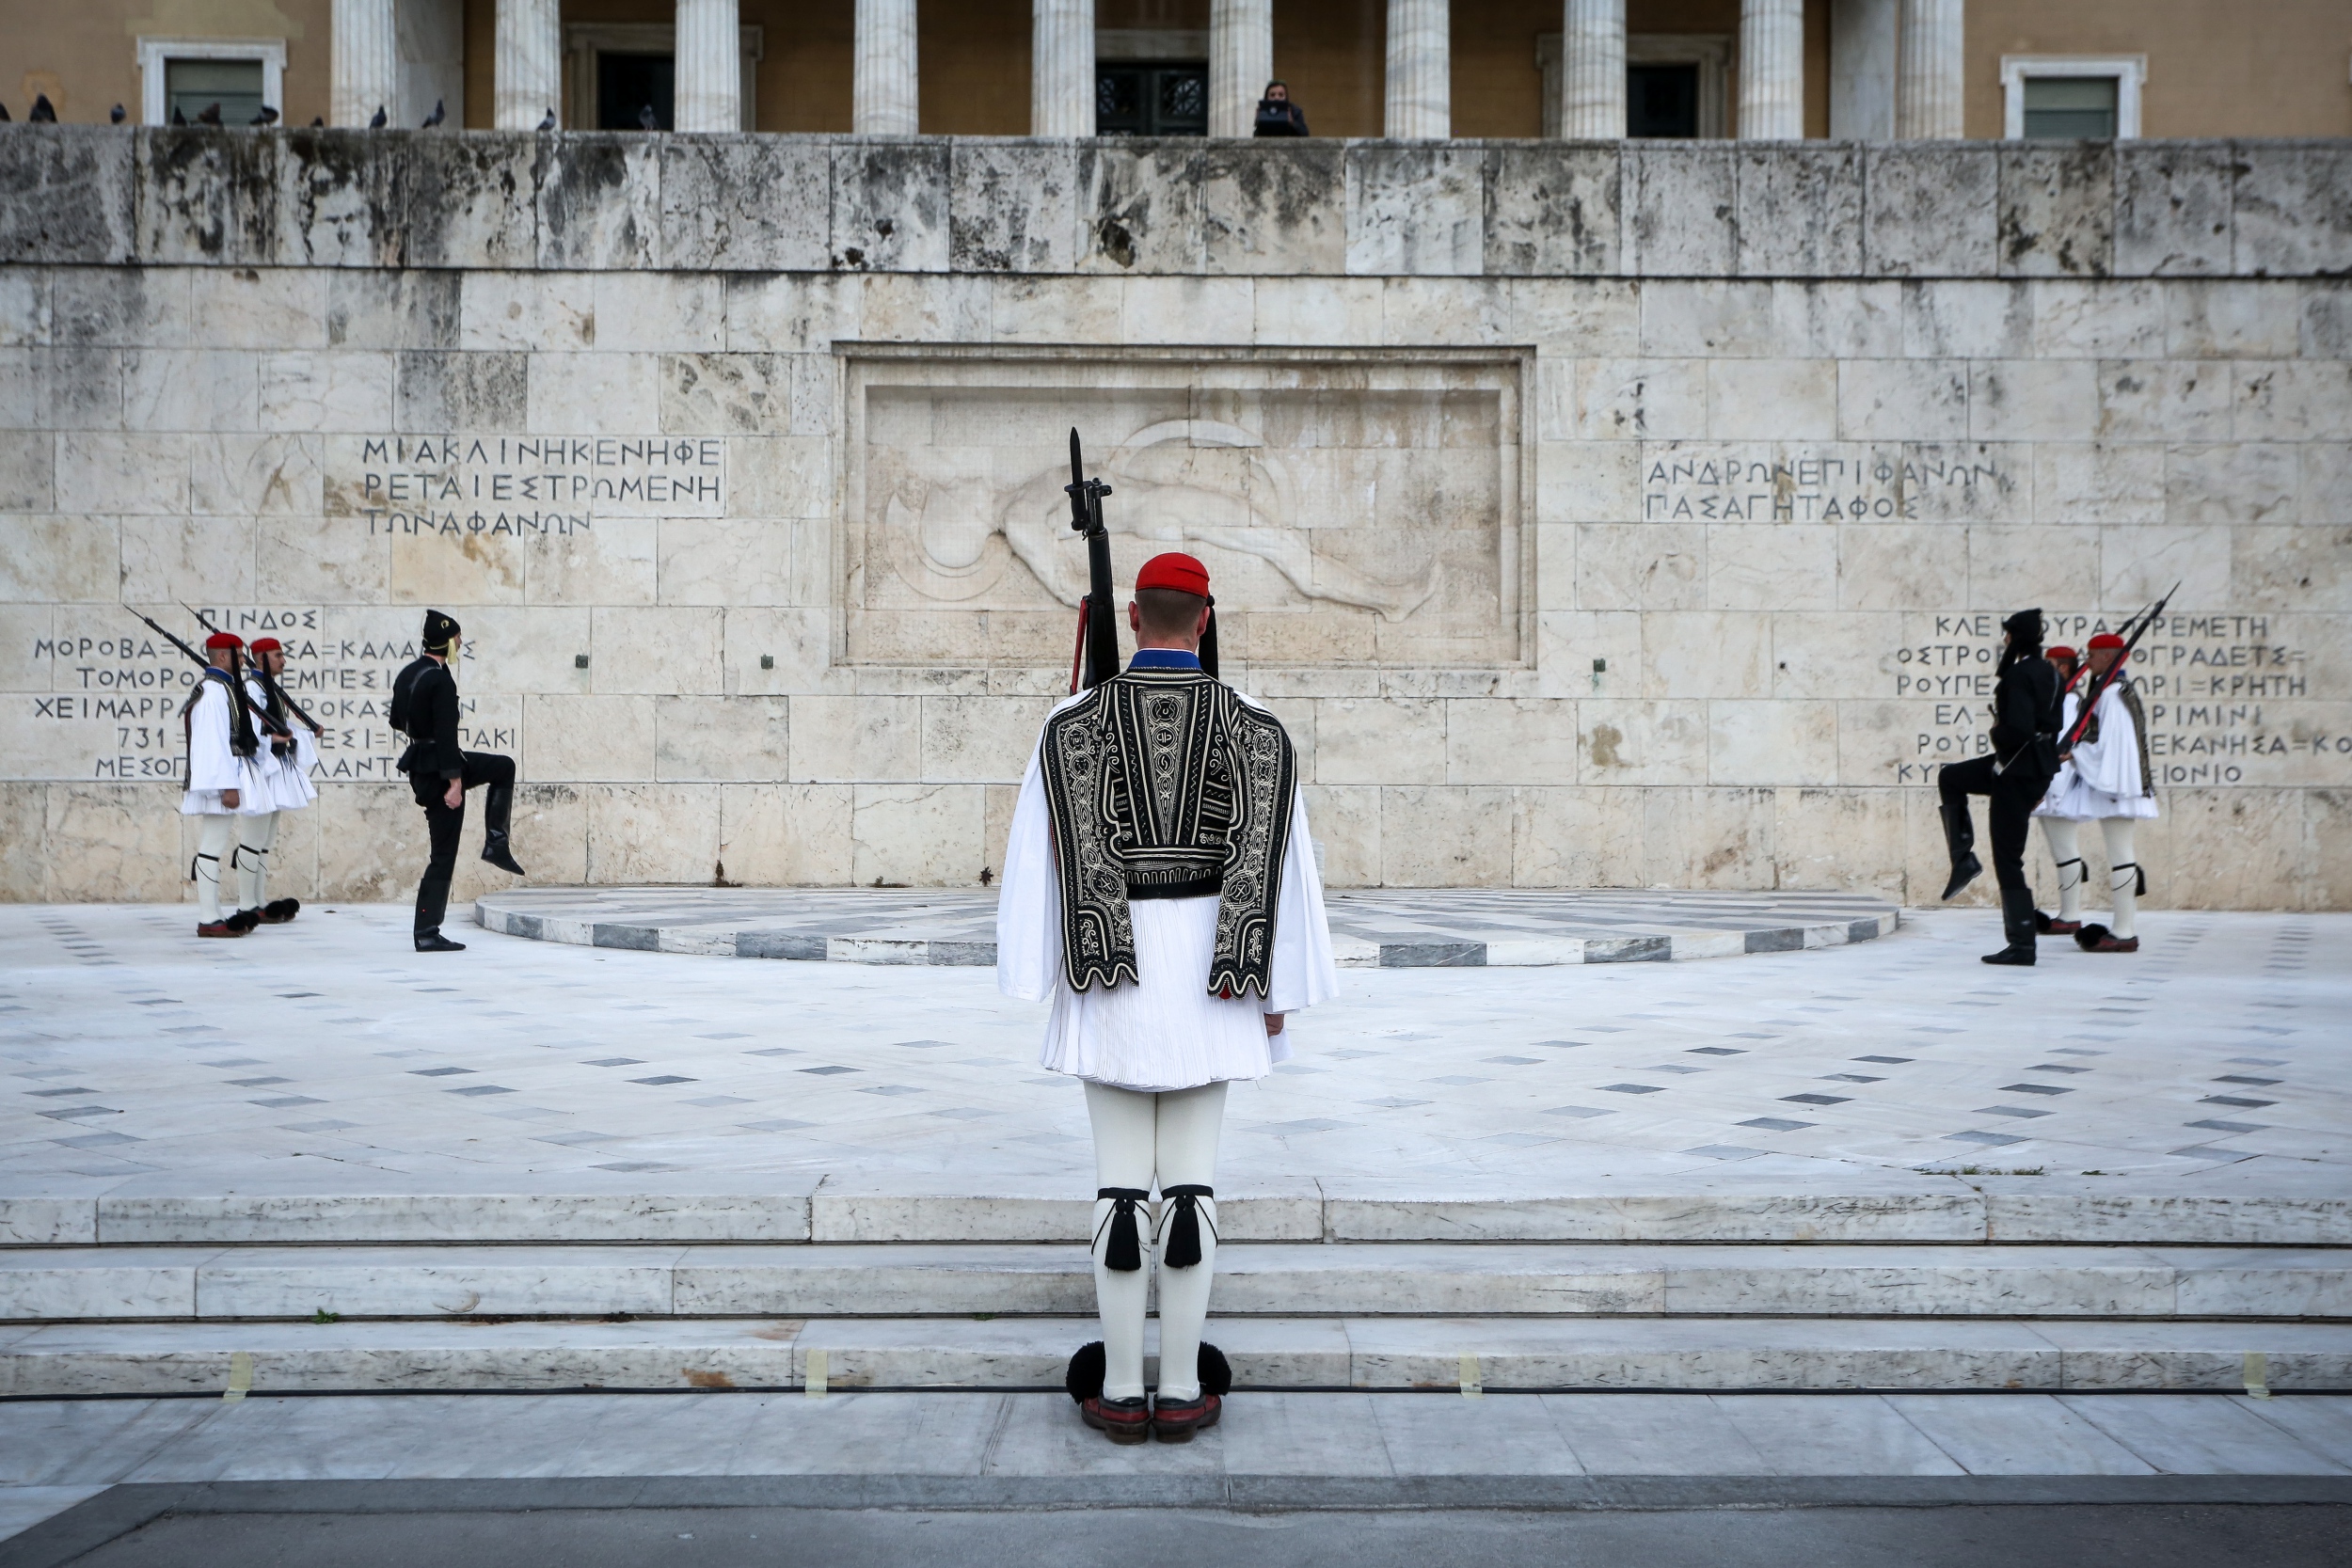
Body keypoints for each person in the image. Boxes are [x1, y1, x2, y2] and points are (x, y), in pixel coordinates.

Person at [996, 552, 1338, 1445]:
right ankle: (1182, 1388)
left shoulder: (1072, 725)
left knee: (1118, 1189)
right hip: (1215, 983)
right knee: (1190, 1188)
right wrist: (1278, 993)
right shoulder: (1258, 727)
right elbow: (1285, 872)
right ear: (1207, 618)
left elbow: (1038, 859)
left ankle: (1114, 1388)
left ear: (1135, 618)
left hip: (1108, 975)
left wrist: (1042, 976)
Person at [391, 610, 525, 954]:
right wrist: (455, 783)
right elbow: (446, 734)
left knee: (502, 767)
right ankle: (427, 931)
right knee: (443, 855)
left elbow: (396, 721)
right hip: (441, 770)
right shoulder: (440, 679)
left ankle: (497, 844)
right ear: (448, 641)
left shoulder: (410, 673)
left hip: (423, 763)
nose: (460, 643)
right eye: (458, 639)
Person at [1937, 609, 2062, 965]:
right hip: (2032, 768)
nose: (2004, 641)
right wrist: (2043, 778)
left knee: (2008, 858)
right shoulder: (2052, 674)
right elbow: (2053, 728)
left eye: (2008, 635)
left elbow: (2019, 729)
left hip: (2014, 771)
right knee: (1951, 777)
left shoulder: (2020, 675)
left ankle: (2022, 944)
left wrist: (1997, 732)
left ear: (2017, 637)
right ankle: (1963, 859)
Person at [2044, 632, 2158, 954]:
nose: (2087, 662)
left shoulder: (2112, 694)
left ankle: (2124, 931)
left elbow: (2113, 748)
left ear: (2108, 658)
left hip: (2119, 786)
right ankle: (2122, 928)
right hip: (2118, 784)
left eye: (2093, 656)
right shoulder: (2112, 691)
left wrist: (2074, 753)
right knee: (2121, 854)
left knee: (2122, 855)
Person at [178, 632, 272, 939]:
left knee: (214, 845)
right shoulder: (212, 692)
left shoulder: (223, 689)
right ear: (222, 657)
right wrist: (226, 787)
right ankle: (208, 918)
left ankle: (215, 913)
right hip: (218, 780)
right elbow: (211, 744)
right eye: (239, 656)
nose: (244, 661)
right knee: (212, 846)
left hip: (225, 777)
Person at [232, 636, 319, 927]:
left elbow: (280, 727)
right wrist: (274, 739)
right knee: (253, 838)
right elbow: (249, 732)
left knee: (265, 840)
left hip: (275, 768)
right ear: (260, 659)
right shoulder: (252, 690)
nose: (283, 660)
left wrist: (300, 735)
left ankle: (258, 902)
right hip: (261, 769)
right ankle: (246, 902)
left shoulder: (270, 689)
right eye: (277, 655)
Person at [2030, 645, 2087, 935]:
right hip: (2052, 782)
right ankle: (2068, 912)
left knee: (2065, 849)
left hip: (2057, 785)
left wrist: (2048, 788)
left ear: (2063, 668)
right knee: (2061, 849)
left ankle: (2071, 914)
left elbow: (2061, 749)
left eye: (2049, 664)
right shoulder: (2060, 698)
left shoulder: (2067, 701)